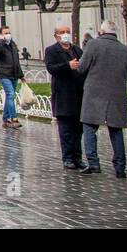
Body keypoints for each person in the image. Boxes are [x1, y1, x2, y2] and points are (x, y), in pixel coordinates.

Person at [75, 22, 127, 178]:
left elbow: (82, 68)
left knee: (89, 128)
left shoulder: (93, 45)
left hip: (94, 93)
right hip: (116, 94)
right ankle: (120, 167)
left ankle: (93, 163)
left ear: (101, 32)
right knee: (116, 130)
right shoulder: (126, 50)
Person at [44, 25, 86, 170]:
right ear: (56, 35)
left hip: (79, 95)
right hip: (63, 95)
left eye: (67, 32)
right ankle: (67, 157)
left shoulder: (77, 50)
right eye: (62, 32)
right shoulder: (51, 51)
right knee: (66, 129)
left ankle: (77, 157)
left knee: (78, 129)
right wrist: (67, 65)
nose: (65, 34)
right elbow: (51, 68)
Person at [0, 26, 24, 129]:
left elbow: (16, 61)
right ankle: (13, 118)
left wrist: (21, 75)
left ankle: (5, 119)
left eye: (9, 33)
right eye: (5, 33)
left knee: (10, 96)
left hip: (13, 74)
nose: (8, 35)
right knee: (11, 94)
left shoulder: (13, 44)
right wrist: (2, 42)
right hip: (4, 74)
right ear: (1, 34)